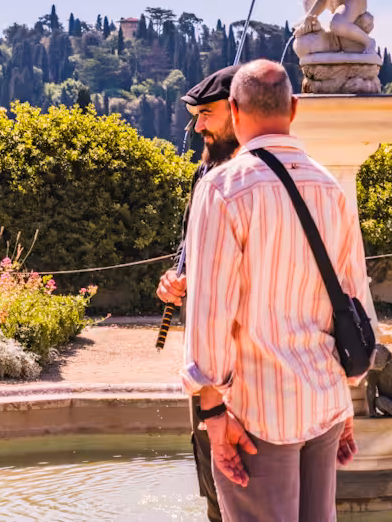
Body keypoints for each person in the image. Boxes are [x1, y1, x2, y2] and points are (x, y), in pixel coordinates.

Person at [180, 59, 373, 522]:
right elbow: (355, 300)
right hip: (323, 398)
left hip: (256, 409)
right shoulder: (331, 188)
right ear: (294, 107)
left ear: (233, 107)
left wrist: (212, 411)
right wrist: (346, 395)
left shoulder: (224, 188)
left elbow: (211, 311)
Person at [156, 64, 240, 522]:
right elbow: (189, 252)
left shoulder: (256, 179)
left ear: (237, 109)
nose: (197, 125)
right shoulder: (205, 172)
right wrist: (175, 279)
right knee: (212, 477)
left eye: (206, 113)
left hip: (245, 368)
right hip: (203, 359)